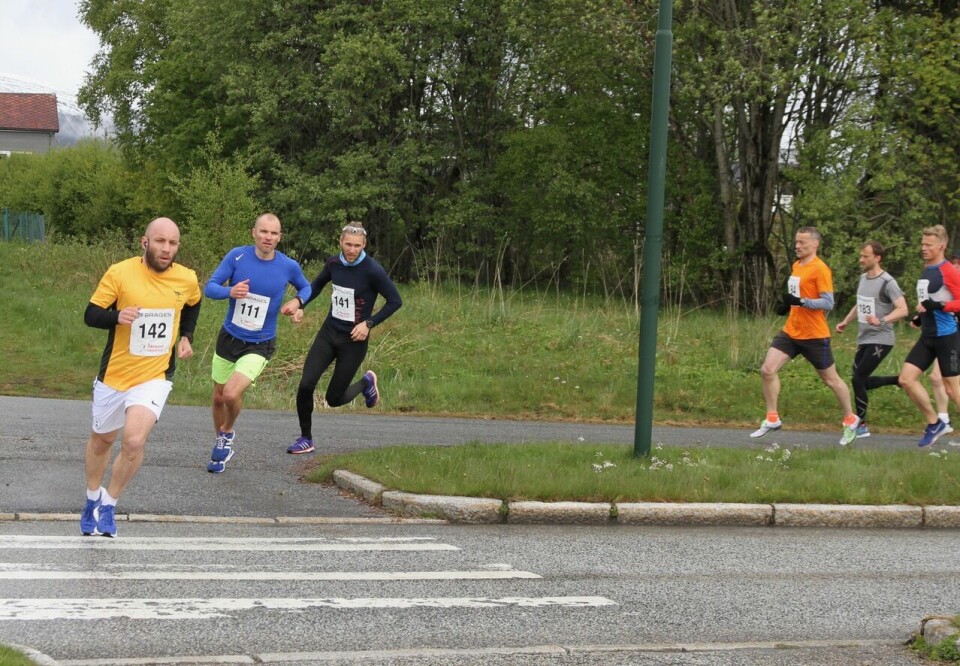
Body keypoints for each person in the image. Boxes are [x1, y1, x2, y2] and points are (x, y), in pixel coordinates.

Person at [80, 217, 202, 537]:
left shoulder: (186, 278)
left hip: (155, 375)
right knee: (102, 439)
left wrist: (186, 336)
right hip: (115, 374)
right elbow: (91, 314)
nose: (166, 249)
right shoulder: (120, 272)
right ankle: (92, 497)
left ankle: (109, 504)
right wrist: (117, 316)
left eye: (173, 243)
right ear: (144, 242)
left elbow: (193, 303)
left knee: (133, 439)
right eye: (160, 241)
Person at [204, 213, 311, 472]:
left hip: (260, 343)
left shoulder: (288, 266)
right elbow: (210, 287)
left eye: (274, 234)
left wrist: (297, 304)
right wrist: (230, 291)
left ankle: (228, 431)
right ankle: (220, 439)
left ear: (279, 238)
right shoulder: (237, 256)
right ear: (254, 232)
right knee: (219, 398)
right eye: (264, 232)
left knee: (231, 392)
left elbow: (306, 288)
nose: (268, 238)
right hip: (229, 337)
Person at [287, 222, 402, 454]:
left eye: (357, 246)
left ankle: (366, 383)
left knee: (334, 399)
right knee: (306, 385)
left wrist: (369, 324)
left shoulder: (372, 270)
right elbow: (317, 285)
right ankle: (305, 438)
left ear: (364, 245)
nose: (352, 250)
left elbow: (395, 301)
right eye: (348, 244)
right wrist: (301, 304)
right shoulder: (333, 263)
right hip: (329, 333)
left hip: (354, 341)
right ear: (340, 242)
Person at [751, 227, 860, 445]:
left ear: (815, 244)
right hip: (791, 331)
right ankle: (772, 418)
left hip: (814, 336)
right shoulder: (796, 265)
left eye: (802, 242)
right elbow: (796, 295)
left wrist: (802, 302)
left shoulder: (820, 269)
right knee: (767, 369)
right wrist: (787, 305)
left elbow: (828, 302)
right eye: (796, 242)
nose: (797, 246)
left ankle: (850, 419)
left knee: (830, 379)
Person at [834, 241, 909, 438]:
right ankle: (897, 380)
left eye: (865, 256)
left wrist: (881, 320)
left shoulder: (888, 282)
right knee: (862, 381)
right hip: (864, 337)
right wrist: (845, 322)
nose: (861, 259)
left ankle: (861, 425)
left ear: (877, 258)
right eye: (861, 256)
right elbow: (860, 305)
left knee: (857, 378)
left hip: (882, 338)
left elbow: (903, 309)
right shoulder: (862, 279)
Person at [897, 225, 960, 447]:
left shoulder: (948, 270)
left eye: (928, 245)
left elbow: (954, 302)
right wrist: (920, 316)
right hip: (928, 335)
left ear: (941, 246)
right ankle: (935, 423)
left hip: (947, 336)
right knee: (906, 379)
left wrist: (941, 305)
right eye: (922, 244)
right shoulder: (927, 269)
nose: (923, 248)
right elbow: (927, 301)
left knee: (953, 389)